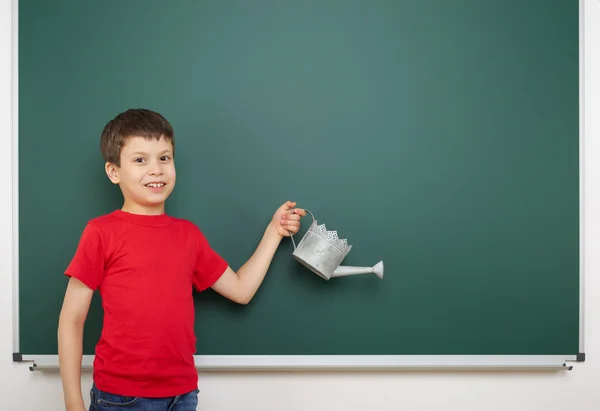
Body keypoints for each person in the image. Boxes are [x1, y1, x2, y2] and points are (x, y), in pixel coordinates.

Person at [57, 108, 306, 411]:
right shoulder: (100, 232)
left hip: (183, 395)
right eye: (140, 160)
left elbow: (241, 290)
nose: (156, 169)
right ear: (113, 171)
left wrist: (274, 231)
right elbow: (71, 320)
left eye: (164, 157)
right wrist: (73, 401)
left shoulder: (188, 236)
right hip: (119, 398)